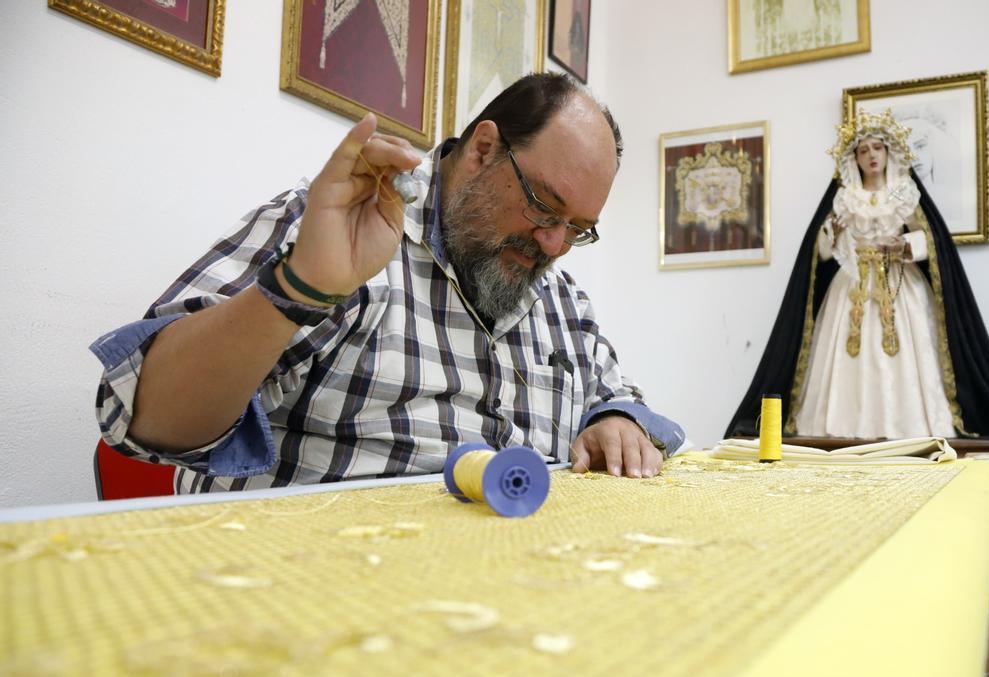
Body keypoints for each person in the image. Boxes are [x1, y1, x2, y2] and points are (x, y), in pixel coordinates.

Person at [92, 73, 685, 493]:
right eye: (542, 206)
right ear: (482, 150)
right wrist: (297, 290)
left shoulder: (558, 296)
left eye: (578, 229)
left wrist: (617, 419)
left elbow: (620, 395)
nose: (555, 245)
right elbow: (144, 420)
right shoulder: (341, 227)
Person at [725, 109, 989, 466]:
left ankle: (908, 427)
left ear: (889, 153)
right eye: (863, 150)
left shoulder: (904, 193)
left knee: (907, 356)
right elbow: (821, 253)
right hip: (852, 285)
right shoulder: (845, 198)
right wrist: (834, 234)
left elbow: (930, 240)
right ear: (854, 159)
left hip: (899, 285)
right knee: (843, 357)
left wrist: (905, 246)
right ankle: (838, 430)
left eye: (878, 148)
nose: (871, 155)